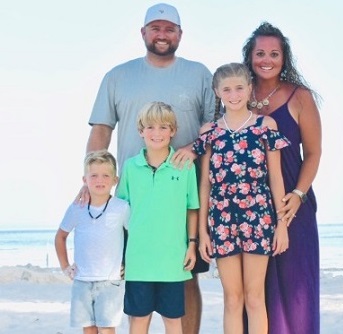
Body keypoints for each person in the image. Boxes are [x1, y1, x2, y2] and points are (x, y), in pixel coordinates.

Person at [77, 3, 215, 333]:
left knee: (186, 276)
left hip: (183, 193)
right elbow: (101, 131)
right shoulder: (118, 76)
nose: (162, 34)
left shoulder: (199, 75)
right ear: (143, 33)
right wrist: (91, 180)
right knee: (126, 274)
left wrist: (192, 151)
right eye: (155, 28)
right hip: (131, 195)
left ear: (180, 34)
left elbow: (214, 130)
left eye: (170, 29)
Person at [194, 62, 290, 334]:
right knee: (232, 299)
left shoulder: (265, 126)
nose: (234, 94)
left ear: (249, 89)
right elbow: (204, 184)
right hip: (221, 220)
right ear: (217, 92)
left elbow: (276, 178)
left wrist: (281, 225)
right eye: (227, 89)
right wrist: (203, 232)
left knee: (254, 297)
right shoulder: (209, 132)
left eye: (239, 88)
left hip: (259, 218)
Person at [242, 22, 322, 334]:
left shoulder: (299, 97)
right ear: (250, 56)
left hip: (293, 206)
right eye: (260, 53)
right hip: (249, 209)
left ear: (284, 58)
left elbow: (314, 153)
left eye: (274, 53)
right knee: (256, 293)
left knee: (297, 291)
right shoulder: (239, 95)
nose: (267, 59)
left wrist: (299, 194)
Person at [117, 101, 199, 334]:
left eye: (164, 127)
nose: (157, 133)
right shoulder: (130, 167)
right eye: (150, 127)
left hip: (172, 261)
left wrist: (192, 245)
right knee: (139, 320)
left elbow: (191, 208)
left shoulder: (184, 166)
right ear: (140, 131)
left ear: (173, 131)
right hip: (138, 261)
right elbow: (120, 215)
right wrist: (120, 257)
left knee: (173, 321)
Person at [55, 150, 130, 334]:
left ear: (115, 180)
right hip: (81, 280)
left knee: (106, 329)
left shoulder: (121, 208)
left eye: (106, 175)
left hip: (110, 281)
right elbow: (60, 237)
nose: (100, 180)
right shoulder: (77, 208)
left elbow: (134, 237)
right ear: (84, 180)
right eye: (94, 175)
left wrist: (128, 264)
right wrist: (65, 266)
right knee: (88, 329)